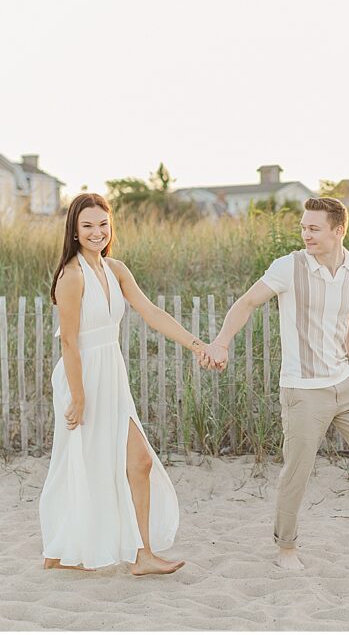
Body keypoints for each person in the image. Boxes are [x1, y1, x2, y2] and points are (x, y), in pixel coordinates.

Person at [201, 197, 349, 570]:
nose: (305, 234)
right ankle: (287, 549)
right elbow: (248, 302)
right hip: (303, 388)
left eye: (314, 228)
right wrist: (220, 341)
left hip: (348, 382)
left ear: (339, 231)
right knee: (297, 469)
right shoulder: (288, 267)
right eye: (303, 227)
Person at [40, 193, 214, 575]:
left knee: (139, 459)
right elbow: (68, 340)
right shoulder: (71, 276)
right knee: (80, 463)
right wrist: (79, 395)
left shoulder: (116, 269)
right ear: (74, 230)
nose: (96, 232)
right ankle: (60, 548)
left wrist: (196, 344)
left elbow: (151, 312)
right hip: (81, 376)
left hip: (112, 374)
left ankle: (142, 554)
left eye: (102, 224)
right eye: (87, 225)